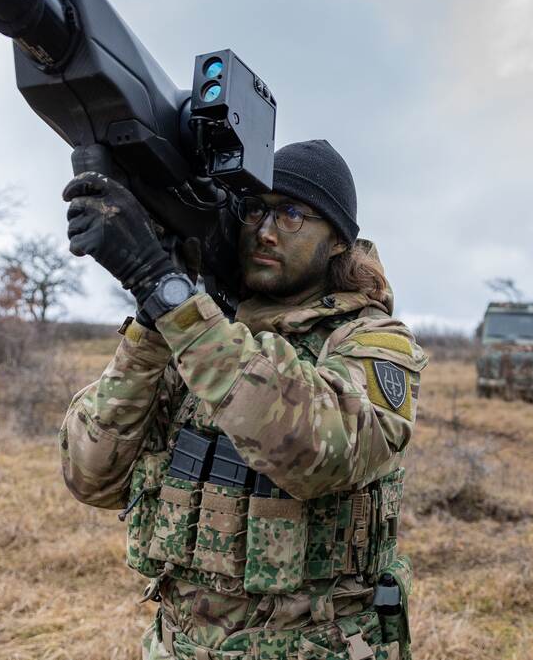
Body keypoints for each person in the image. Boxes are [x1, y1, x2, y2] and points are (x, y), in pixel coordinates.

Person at [58, 140, 425, 660]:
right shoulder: (202, 331)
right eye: (254, 210)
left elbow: (323, 454)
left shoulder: (372, 340)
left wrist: (171, 297)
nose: (265, 231)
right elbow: (91, 476)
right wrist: (152, 321)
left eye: (292, 214)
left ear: (338, 241)